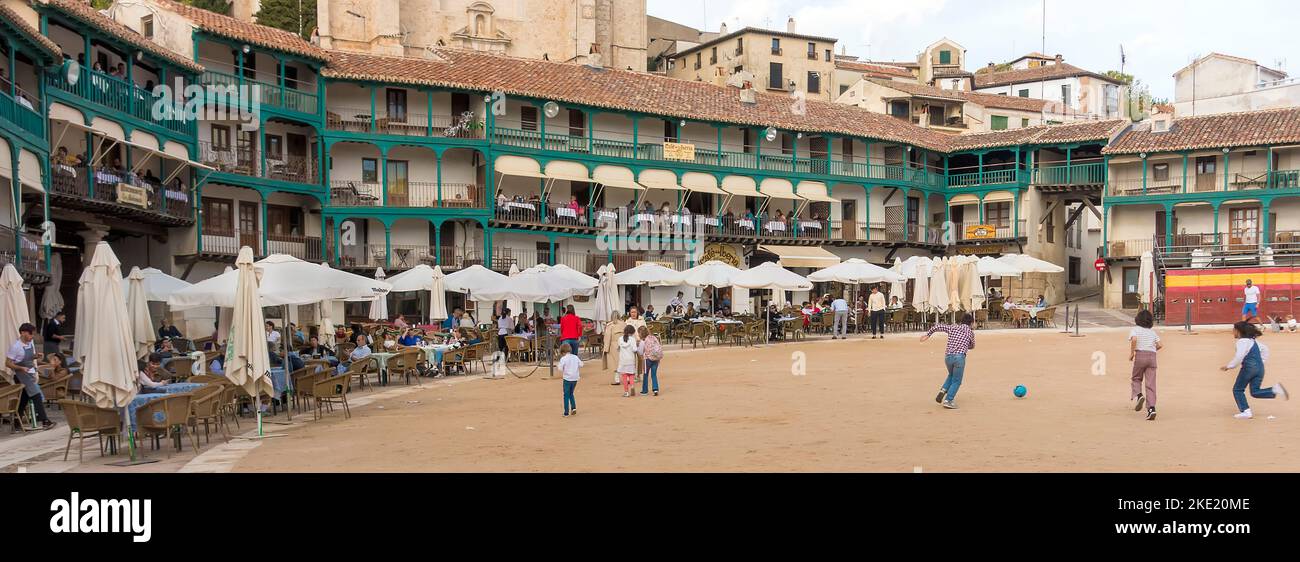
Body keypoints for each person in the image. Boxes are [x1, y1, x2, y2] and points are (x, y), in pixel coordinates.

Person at [1221, 321, 1289, 419]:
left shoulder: (1242, 341)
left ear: (1239, 331)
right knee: (1255, 392)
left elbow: (1239, 356)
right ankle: (1275, 389)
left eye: (1234, 330)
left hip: (1249, 368)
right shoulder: (1254, 341)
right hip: (1260, 368)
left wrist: (1230, 366)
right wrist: (1260, 363)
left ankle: (1246, 411)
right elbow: (1265, 349)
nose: (1232, 332)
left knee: (1237, 389)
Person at [921, 313, 976, 410]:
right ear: (971, 323)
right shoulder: (970, 332)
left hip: (948, 357)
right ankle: (949, 400)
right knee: (957, 381)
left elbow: (937, 326)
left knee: (951, 375)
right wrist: (965, 343)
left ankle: (943, 390)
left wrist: (927, 335)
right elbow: (972, 346)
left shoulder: (953, 327)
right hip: (959, 358)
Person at [7, 324, 55, 431]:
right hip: (20, 375)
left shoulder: (30, 343)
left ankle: (16, 422)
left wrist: (36, 356)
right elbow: (8, 363)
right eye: (30, 334)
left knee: (24, 398)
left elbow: (29, 357)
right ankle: (45, 421)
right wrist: (20, 367)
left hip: (30, 373)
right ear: (23, 332)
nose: (32, 336)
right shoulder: (15, 346)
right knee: (36, 394)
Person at [1129, 309, 1162, 421]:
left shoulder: (1135, 330)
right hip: (1152, 357)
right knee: (1151, 384)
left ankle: (1139, 395)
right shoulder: (1152, 332)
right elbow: (1160, 345)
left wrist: (1132, 353)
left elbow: (1134, 340)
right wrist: (1153, 349)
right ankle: (1151, 408)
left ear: (1138, 319)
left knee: (1136, 378)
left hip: (1140, 355)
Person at [638, 326, 663, 396]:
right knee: (654, 374)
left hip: (647, 359)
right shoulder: (654, 338)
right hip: (656, 358)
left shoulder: (643, 341)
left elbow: (640, 352)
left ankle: (644, 390)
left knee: (645, 375)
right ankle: (655, 389)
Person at [559, 342, 582, 417]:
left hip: (567, 378)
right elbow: (581, 364)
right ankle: (573, 407)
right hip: (575, 378)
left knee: (566, 395)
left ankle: (566, 412)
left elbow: (560, 369)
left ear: (562, 352)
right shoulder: (575, 357)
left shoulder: (563, 358)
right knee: (571, 393)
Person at [617, 325, 638, 398]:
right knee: (631, 375)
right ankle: (632, 386)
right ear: (632, 332)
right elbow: (635, 349)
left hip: (623, 360)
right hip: (631, 360)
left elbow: (619, 348)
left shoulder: (620, 339)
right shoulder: (632, 339)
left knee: (624, 377)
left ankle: (626, 392)